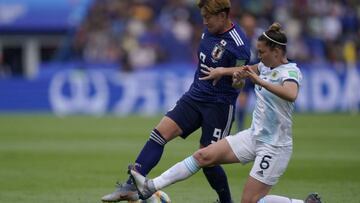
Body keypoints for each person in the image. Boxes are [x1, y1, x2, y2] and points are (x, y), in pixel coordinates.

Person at [129, 23, 323, 203]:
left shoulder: (290, 72)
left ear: (277, 51)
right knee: (202, 156)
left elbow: (291, 94)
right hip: (254, 136)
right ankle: (150, 186)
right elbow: (245, 69)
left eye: (262, 52)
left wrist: (259, 81)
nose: (259, 55)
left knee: (249, 202)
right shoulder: (264, 66)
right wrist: (224, 72)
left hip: (275, 146)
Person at [101, 0, 251, 202]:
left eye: (208, 17)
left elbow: (243, 74)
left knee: (208, 159)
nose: (204, 21)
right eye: (203, 16)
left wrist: (225, 73)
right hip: (195, 96)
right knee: (159, 134)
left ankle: (226, 201)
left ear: (223, 15)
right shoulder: (207, 31)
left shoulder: (238, 44)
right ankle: (130, 186)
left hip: (219, 106)